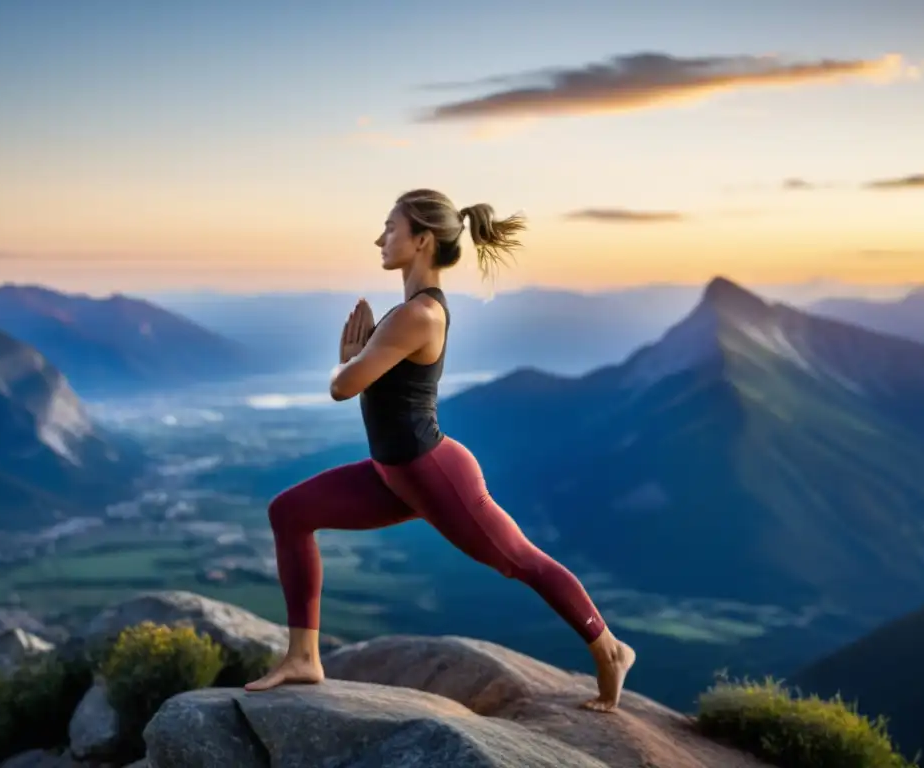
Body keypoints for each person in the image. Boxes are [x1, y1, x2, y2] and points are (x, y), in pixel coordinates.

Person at [244, 188, 635, 712]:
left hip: (434, 475)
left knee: (519, 561)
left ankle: (609, 648)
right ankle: (304, 658)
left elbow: (342, 387)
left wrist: (346, 361)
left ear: (422, 239)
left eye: (390, 228)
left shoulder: (420, 315)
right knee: (289, 512)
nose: (379, 238)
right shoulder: (406, 310)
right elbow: (357, 382)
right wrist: (354, 361)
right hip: (394, 474)